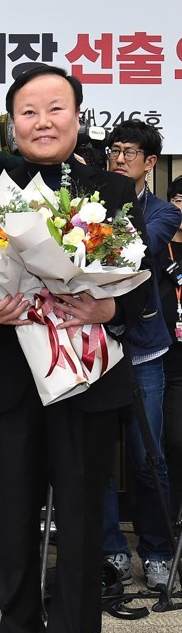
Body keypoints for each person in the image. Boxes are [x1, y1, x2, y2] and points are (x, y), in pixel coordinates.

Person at [0, 64, 151, 633]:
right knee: (11, 525)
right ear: (12, 121)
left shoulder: (115, 193)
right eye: (29, 111)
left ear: (77, 116)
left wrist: (108, 310)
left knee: (84, 523)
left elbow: (150, 291)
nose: (43, 121)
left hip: (89, 382)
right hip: (12, 384)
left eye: (56, 108)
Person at [102, 121, 181, 588]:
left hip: (145, 351)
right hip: (95, 346)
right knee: (95, 458)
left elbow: (133, 250)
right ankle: (111, 550)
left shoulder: (163, 213)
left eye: (129, 152)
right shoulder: (91, 202)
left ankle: (155, 550)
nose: (118, 158)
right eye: (114, 150)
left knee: (148, 458)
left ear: (150, 163)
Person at [160, 176, 182, 524]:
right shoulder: (156, 241)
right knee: (170, 441)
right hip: (162, 353)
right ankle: (169, 515)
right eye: (177, 197)